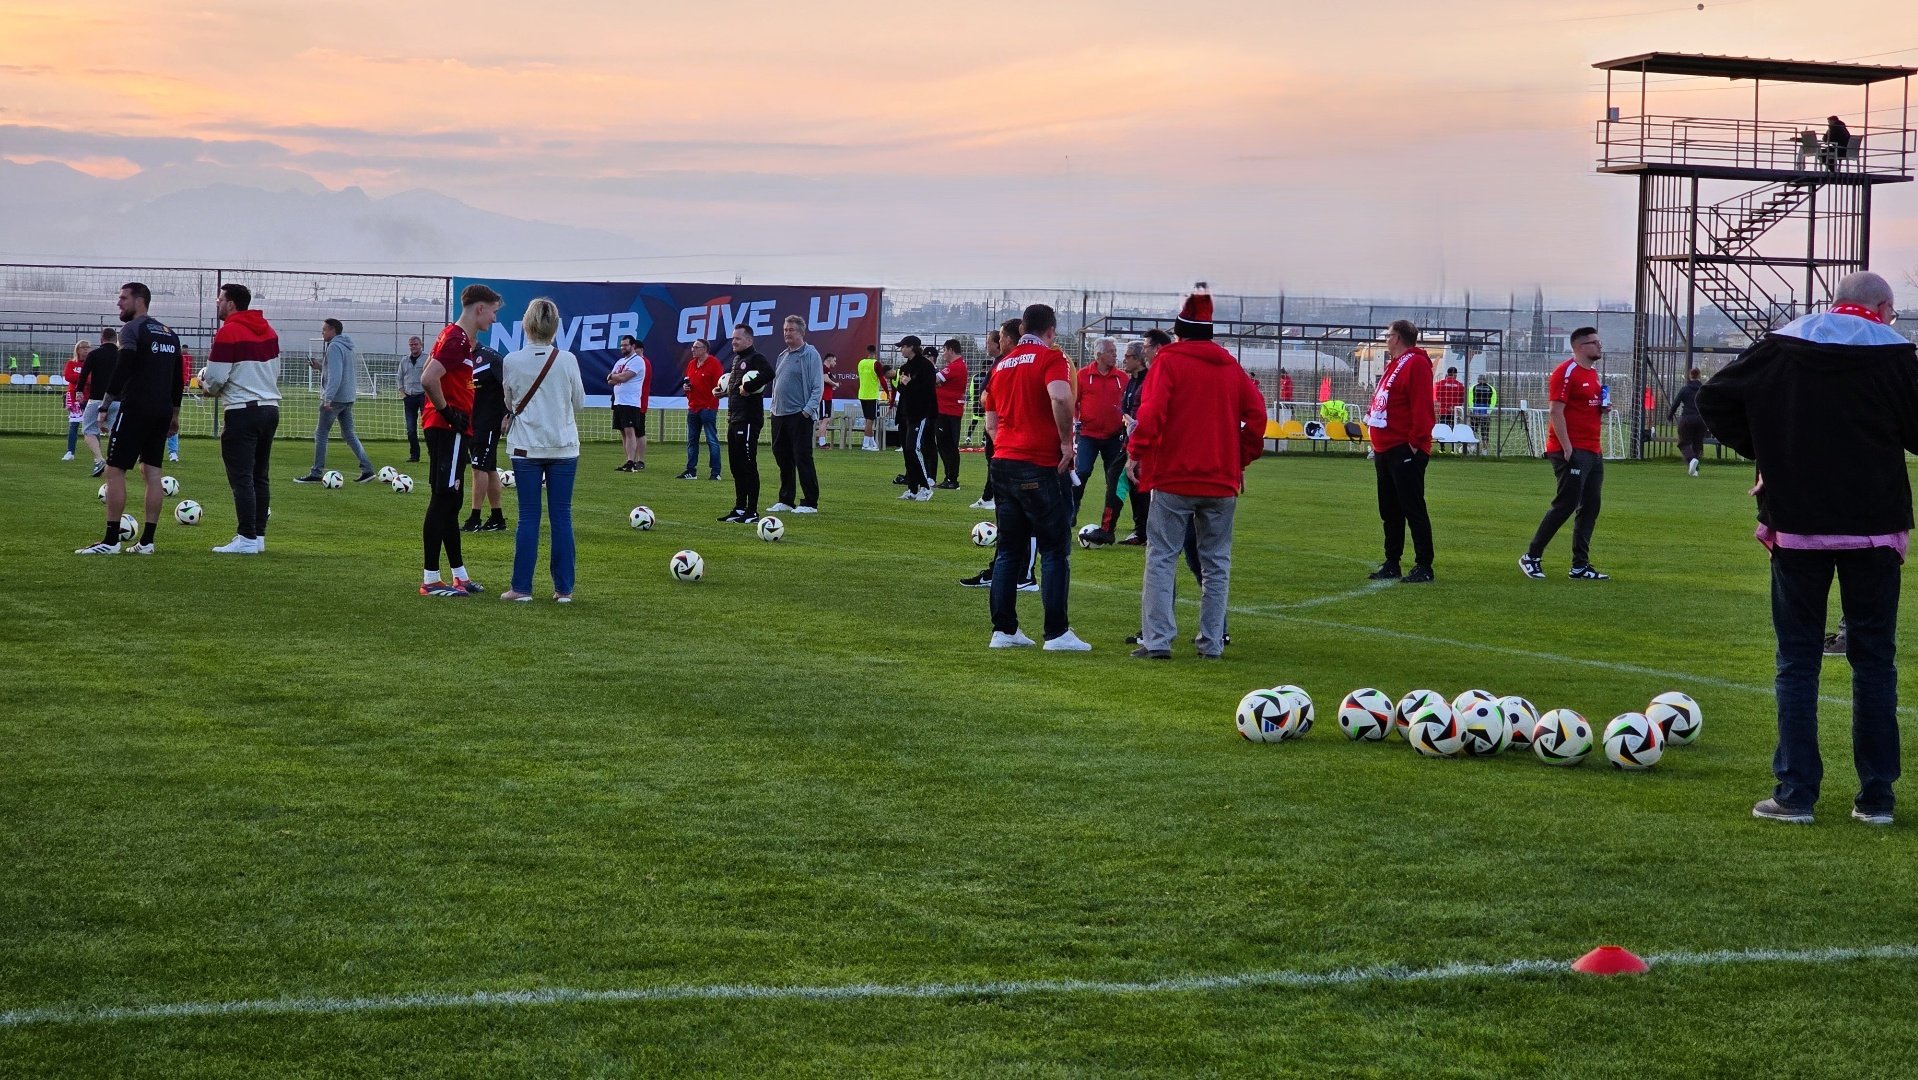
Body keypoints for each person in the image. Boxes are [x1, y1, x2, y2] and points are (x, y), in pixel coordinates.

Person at [1697, 271, 1914, 826]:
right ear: (1883, 308)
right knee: (1874, 662)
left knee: (1796, 661)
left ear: (1835, 301)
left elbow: (1714, 398)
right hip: (1874, 524)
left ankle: (1795, 794)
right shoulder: (1895, 355)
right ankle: (1876, 797)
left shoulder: (1785, 343)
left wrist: (1768, 450)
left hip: (1797, 523)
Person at [1126, 287, 1267, 659]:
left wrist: (1135, 453)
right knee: (1216, 563)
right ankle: (1211, 642)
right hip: (1220, 480)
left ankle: (1157, 641)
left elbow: (1151, 415)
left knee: (1162, 557)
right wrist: (1239, 460)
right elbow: (1257, 418)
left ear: (1178, 332)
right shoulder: (1230, 366)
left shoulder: (1169, 362)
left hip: (1174, 476)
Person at [984, 303, 1089, 652]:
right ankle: (1057, 633)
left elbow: (990, 418)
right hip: (1040, 463)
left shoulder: (1001, 364)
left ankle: (1004, 630)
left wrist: (1006, 445)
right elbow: (1060, 396)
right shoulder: (1051, 358)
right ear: (1051, 331)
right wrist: (1065, 443)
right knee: (1054, 548)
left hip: (1004, 461)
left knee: (1008, 550)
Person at [76, 283, 183, 555]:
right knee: (152, 472)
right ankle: (147, 542)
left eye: (123, 298)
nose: (118, 303)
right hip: (161, 411)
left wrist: (105, 404)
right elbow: (176, 378)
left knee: (114, 470)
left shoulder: (132, 330)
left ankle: (111, 541)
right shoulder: (170, 334)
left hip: (135, 408)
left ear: (139, 300)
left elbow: (124, 366)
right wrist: (174, 413)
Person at [500, 297, 586, 603]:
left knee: (528, 517)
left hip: (526, 448)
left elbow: (509, 403)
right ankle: (564, 589)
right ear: (555, 326)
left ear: (526, 324)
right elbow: (579, 403)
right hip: (563, 447)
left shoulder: (511, 361)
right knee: (562, 516)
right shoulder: (568, 360)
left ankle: (521, 588)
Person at [417, 283, 501, 596]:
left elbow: (428, 370)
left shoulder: (457, 338)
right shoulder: (455, 338)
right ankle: (430, 580)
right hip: (446, 428)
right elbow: (427, 378)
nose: (493, 319)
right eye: (493, 312)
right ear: (480, 308)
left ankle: (459, 575)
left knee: (451, 501)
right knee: (443, 498)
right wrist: (448, 412)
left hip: (451, 428)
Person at [1520, 326, 1610, 581]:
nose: (1600, 346)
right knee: (1566, 504)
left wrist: (1602, 409)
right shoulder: (1566, 372)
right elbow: (1555, 411)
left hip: (1593, 449)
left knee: (1591, 506)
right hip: (1571, 449)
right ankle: (1531, 556)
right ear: (1580, 346)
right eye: (1595, 342)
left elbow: (1584, 408)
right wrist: (1567, 448)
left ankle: (1580, 565)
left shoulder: (1592, 374)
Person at [199, 282, 281, 555]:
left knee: (242, 477)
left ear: (231, 303)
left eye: (220, 299)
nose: (217, 303)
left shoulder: (228, 332)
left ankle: (246, 537)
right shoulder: (268, 330)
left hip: (242, 410)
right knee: (260, 476)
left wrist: (204, 384)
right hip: (269, 408)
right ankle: (257, 536)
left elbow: (216, 378)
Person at [1365, 319, 1436, 583]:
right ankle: (1392, 561)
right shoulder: (1395, 364)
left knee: (1412, 507)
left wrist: (1415, 443)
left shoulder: (1415, 363)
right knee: (1390, 510)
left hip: (1403, 448)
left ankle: (1424, 565)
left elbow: (1422, 406)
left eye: (1388, 334)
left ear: (1398, 338)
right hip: (1385, 448)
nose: (1386, 338)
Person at [294, 318, 375, 484]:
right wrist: (320, 367)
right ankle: (367, 469)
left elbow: (336, 376)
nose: (322, 333)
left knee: (321, 433)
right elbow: (337, 370)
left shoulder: (334, 347)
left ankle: (316, 472)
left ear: (332, 330)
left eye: (324, 329)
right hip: (347, 397)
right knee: (349, 434)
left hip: (335, 399)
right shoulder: (347, 346)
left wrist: (327, 398)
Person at [1072, 336, 1129, 537]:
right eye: (1111, 351)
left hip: (1114, 437)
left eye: (1115, 351)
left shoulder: (1123, 378)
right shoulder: (1082, 375)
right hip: (1088, 434)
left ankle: (1108, 523)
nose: (1115, 354)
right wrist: (1079, 421)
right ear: (1099, 354)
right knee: (1081, 472)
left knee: (1113, 480)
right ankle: (1072, 511)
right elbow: (1073, 403)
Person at [768, 315, 824, 513]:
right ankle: (786, 499)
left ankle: (810, 502)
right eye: (785, 329)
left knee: (802, 458)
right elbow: (777, 385)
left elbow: (817, 387)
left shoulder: (810, 354)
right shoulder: (783, 355)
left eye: (791, 329)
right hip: (779, 415)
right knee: (782, 457)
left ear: (801, 332)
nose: (787, 333)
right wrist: (773, 409)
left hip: (799, 415)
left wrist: (807, 412)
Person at [720, 325, 775, 523]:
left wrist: (749, 386)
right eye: (733, 338)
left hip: (748, 420)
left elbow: (769, 373)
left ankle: (752, 511)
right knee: (736, 466)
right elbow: (737, 388)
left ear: (749, 341)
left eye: (738, 338)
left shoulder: (755, 358)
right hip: (734, 419)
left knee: (748, 464)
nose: (733, 341)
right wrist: (724, 392)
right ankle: (739, 508)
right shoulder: (737, 360)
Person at [462, 345, 508, 533]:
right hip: (473, 421)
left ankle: (474, 518)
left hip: (489, 422)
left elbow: (509, 385)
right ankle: (497, 518)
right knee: (488, 469)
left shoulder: (492, 357)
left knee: (478, 468)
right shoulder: (464, 358)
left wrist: (508, 413)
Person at [970, 326, 1011, 511]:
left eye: (990, 342)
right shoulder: (997, 362)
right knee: (992, 460)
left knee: (996, 460)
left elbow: (991, 390)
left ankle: (993, 497)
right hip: (992, 419)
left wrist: (986, 395)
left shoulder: (1003, 363)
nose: (986, 345)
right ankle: (989, 496)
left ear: (999, 343)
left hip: (999, 421)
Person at [892, 335, 937, 501]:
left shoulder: (926, 366)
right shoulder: (904, 367)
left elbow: (927, 390)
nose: (901, 350)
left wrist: (910, 383)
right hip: (905, 413)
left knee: (913, 448)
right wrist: (902, 384)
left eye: (903, 347)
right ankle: (912, 488)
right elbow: (901, 390)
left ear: (911, 347)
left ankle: (925, 486)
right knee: (907, 451)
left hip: (919, 414)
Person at [678, 339, 724, 480]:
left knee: (712, 440)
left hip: (708, 408)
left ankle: (715, 472)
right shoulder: (692, 364)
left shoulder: (714, 363)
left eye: (696, 347)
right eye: (692, 347)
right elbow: (690, 383)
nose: (693, 349)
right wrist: (687, 389)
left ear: (704, 349)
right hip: (693, 407)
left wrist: (711, 404)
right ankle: (691, 471)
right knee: (692, 440)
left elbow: (720, 386)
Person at [77, 327, 119, 476]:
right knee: (115, 432)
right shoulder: (122, 355)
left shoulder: (94, 354)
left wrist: (79, 390)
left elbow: (84, 373)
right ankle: (114, 464)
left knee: (88, 430)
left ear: (101, 340)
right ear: (116, 340)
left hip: (97, 400)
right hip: (117, 401)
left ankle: (99, 459)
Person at [609, 334, 649, 471]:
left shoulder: (637, 361)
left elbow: (624, 377)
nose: (623, 347)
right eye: (621, 345)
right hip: (619, 401)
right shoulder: (620, 361)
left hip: (630, 402)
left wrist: (614, 376)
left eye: (625, 345)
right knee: (623, 431)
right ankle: (628, 460)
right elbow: (610, 380)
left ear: (633, 346)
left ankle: (632, 461)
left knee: (630, 431)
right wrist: (614, 377)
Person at [932, 339, 967, 487]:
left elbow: (934, 379)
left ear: (951, 350)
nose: (943, 354)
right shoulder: (956, 366)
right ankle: (949, 478)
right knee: (945, 445)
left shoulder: (955, 367)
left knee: (947, 446)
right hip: (947, 411)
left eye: (944, 350)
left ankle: (952, 479)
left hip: (948, 412)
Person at [1671, 367, 1706, 477]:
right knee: (1697, 444)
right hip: (1701, 419)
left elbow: (1676, 403)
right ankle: (1695, 470)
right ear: (1699, 376)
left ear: (1690, 376)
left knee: (1683, 443)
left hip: (1687, 418)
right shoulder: (1704, 389)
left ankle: (1692, 460)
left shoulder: (1685, 389)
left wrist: (1670, 415)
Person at [399, 335, 426, 463]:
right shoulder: (404, 361)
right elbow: (399, 378)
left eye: (415, 344)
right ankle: (414, 455)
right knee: (410, 428)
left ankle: (433, 453)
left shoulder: (427, 359)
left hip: (424, 396)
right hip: (409, 398)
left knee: (428, 427)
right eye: (411, 345)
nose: (413, 347)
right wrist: (403, 393)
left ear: (421, 345)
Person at [856, 343, 889, 451]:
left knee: (868, 419)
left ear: (867, 352)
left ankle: (872, 443)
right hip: (871, 395)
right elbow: (882, 379)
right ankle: (865, 444)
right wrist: (887, 392)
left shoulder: (861, 363)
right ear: (875, 353)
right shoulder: (876, 364)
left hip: (862, 394)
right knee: (870, 420)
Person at [165, 345, 192, 461]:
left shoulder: (179, 358)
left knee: (172, 421)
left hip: (172, 394)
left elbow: (183, 373)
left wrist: (185, 384)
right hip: (156, 393)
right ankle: (145, 452)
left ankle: (173, 452)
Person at [61, 340, 86, 461]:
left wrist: (80, 379)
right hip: (74, 397)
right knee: (73, 426)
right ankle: (70, 452)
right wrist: (84, 378)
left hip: (88, 397)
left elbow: (93, 378)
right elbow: (68, 376)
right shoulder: (71, 363)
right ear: (78, 349)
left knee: (92, 427)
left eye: (88, 347)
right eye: (83, 347)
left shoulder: (91, 363)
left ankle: (97, 456)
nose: (86, 350)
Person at [1468, 371, 1497, 444]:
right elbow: (1493, 401)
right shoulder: (1491, 388)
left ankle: (1473, 445)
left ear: (1478, 380)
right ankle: (1485, 447)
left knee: (1474, 429)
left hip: (1475, 412)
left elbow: (1470, 400)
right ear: (1486, 380)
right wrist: (1489, 412)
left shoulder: (1473, 387)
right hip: (1485, 413)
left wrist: (1472, 410)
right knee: (1485, 430)